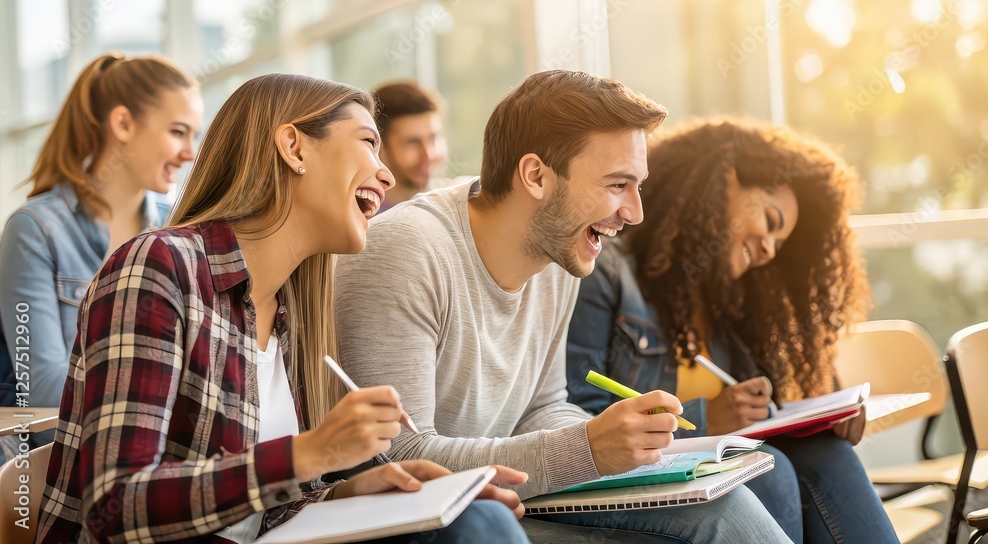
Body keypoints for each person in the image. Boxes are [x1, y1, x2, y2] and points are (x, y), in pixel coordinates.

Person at [37, 74, 531, 544]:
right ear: (294, 147)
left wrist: (350, 490)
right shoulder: (161, 266)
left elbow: (257, 517)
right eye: (368, 142)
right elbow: (113, 507)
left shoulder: (291, 313)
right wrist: (310, 453)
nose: (386, 172)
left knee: (473, 516)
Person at [335, 71, 791, 543]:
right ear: (536, 176)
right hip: (428, 520)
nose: (635, 213)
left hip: (508, 493)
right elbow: (399, 457)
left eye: (638, 186)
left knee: (726, 503)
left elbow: (543, 407)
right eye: (618, 185)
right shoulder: (408, 250)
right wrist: (587, 448)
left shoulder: (559, 249)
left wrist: (616, 440)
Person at [566, 117, 899, 544]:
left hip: (711, 471)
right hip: (625, 487)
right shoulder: (609, 271)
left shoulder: (727, 305)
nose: (769, 250)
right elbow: (576, 415)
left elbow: (763, 418)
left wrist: (820, 421)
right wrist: (706, 419)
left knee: (827, 454)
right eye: (771, 221)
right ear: (725, 183)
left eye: (781, 246)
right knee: (770, 471)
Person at [0, 53, 203, 461]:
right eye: (179, 132)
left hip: (159, 455)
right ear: (123, 123)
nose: (191, 153)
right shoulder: (34, 230)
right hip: (62, 460)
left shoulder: (178, 228)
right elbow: (44, 388)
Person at [371, 80, 448, 212]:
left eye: (433, 138)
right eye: (412, 142)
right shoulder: (361, 222)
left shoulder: (450, 204)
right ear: (377, 147)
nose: (428, 155)